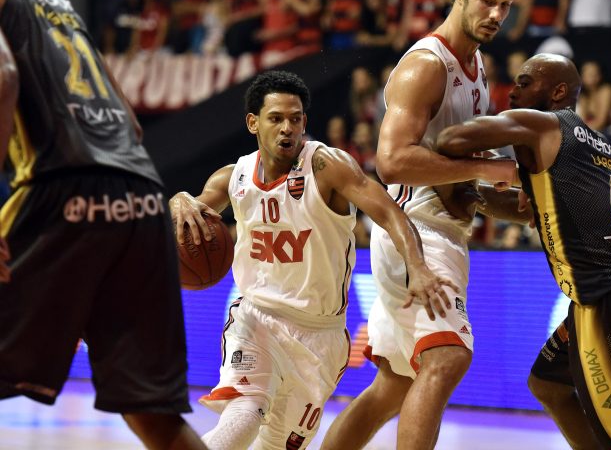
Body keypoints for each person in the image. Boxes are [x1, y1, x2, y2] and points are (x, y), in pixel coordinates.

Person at [171, 70, 455, 450]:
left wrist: (418, 267)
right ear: (253, 123)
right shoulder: (233, 178)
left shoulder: (327, 167)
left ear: (304, 121)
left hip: (319, 335)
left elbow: (390, 213)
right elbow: (190, 215)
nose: (287, 128)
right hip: (255, 319)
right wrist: (177, 201)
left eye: (295, 118)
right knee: (245, 413)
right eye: (276, 118)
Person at [0, 0, 206, 449]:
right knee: (153, 416)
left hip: (62, 188)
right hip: (141, 194)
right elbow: (130, 122)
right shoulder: (59, 4)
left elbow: (3, 76)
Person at [320, 0, 525, 449]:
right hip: (414, 229)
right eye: (487, 1)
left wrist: (511, 197)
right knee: (447, 357)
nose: (496, 15)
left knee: (392, 387)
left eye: (505, 6)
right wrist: (486, 167)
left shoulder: (477, 66)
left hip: (439, 228)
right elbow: (391, 161)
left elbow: (457, 174)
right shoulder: (426, 65)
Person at [435, 53, 611, 450]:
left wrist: (489, 169)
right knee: (547, 383)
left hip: (605, 303)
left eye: (525, 83)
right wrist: (477, 196)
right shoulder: (595, 142)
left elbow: (450, 140)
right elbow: (536, 213)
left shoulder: (543, 124)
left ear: (558, 92)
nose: (513, 91)